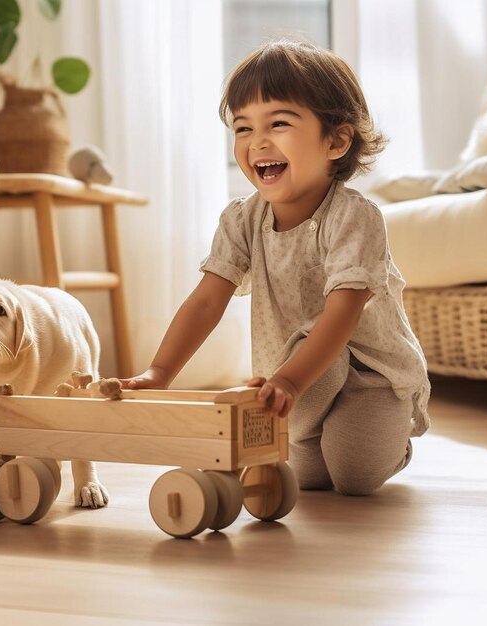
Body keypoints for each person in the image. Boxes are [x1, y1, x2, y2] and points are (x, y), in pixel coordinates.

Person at [121, 39, 430, 496]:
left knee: (355, 479)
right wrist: (159, 373)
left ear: (337, 140)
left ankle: (393, 443)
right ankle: (316, 427)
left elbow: (342, 314)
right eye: (243, 128)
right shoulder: (241, 219)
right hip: (299, 371)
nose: (257, 141)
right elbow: (207, 300)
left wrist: (286, 380)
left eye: (279, 123)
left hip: (371, 374)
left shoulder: (355, 218)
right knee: (304, 480)